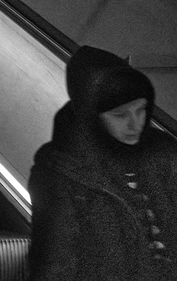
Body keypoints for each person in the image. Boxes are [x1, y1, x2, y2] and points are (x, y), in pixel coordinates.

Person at [29, 45, 177, 280]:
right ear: (91, 116)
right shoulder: (60, 170)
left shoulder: (164, 153)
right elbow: (54, 263)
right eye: (120, 115)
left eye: (141, 110)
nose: (135, 124)